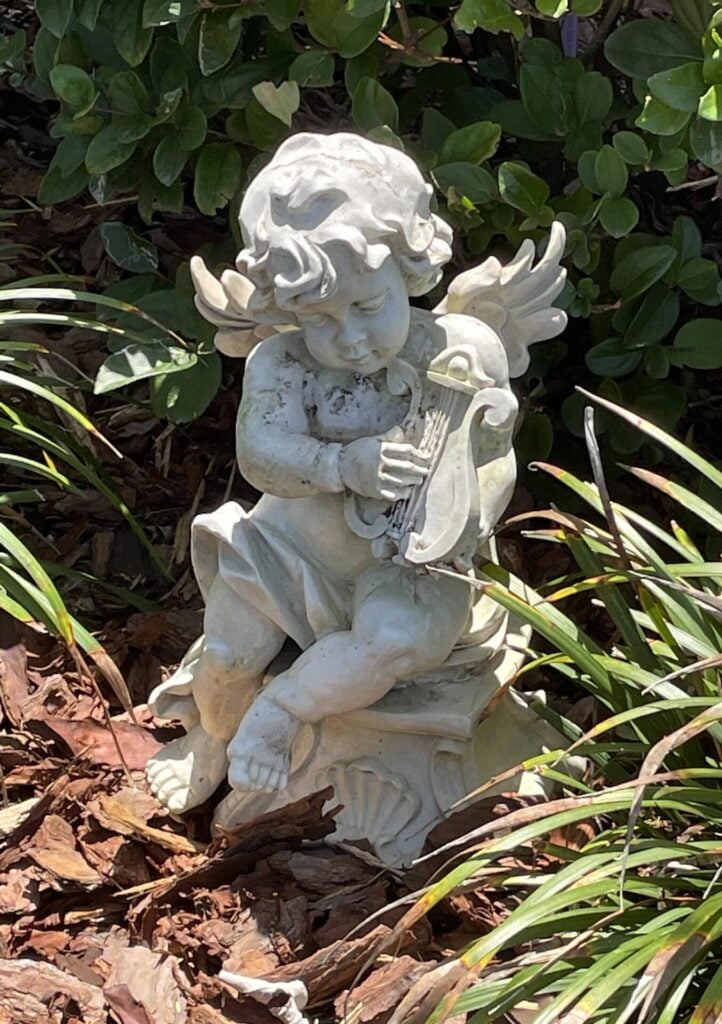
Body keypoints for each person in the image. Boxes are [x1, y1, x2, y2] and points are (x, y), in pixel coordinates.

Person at [146, 133, 517, 814]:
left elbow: (494, 456)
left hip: (412, 565)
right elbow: (261, 455)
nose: (349, 338)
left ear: (409, 271)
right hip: (292, 547)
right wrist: (341, 463)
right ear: (287, 314)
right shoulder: (282, 364)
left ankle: (282, 710)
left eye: (369, 307)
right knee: (230, 653)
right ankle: (213, 737)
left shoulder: (465, 352)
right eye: (319, 319)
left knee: (396, 640)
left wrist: (464, 520)